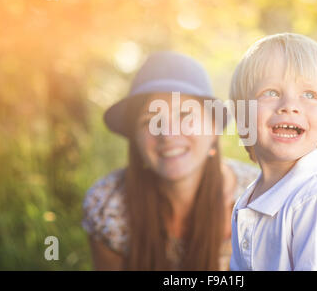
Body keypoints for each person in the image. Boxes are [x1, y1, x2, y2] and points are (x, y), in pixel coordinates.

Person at [82, 51, 260, 270]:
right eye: (150, 120)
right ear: (135, 138)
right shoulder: (107, 205)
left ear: (213, 128)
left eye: (185, 116)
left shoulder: (261, 198)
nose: (167, 133)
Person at [229, 33, 317, 270]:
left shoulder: (315, 201)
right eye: (271, 92)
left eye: (309, 95)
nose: (289, 106)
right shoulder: (248, 199)